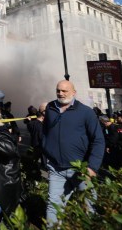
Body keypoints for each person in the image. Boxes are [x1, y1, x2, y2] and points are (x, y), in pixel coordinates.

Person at [42, 80, 105, 227]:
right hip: (56, 169)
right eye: (58, 90)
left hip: (81, 169)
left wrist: (92, 167)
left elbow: (98, 140)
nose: (60, 93)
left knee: (89, 205)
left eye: (65, 91)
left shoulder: (86, 112)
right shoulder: (50, 108)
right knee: (53, 205)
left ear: (74, 92)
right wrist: (47, 152)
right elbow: (45, 132)